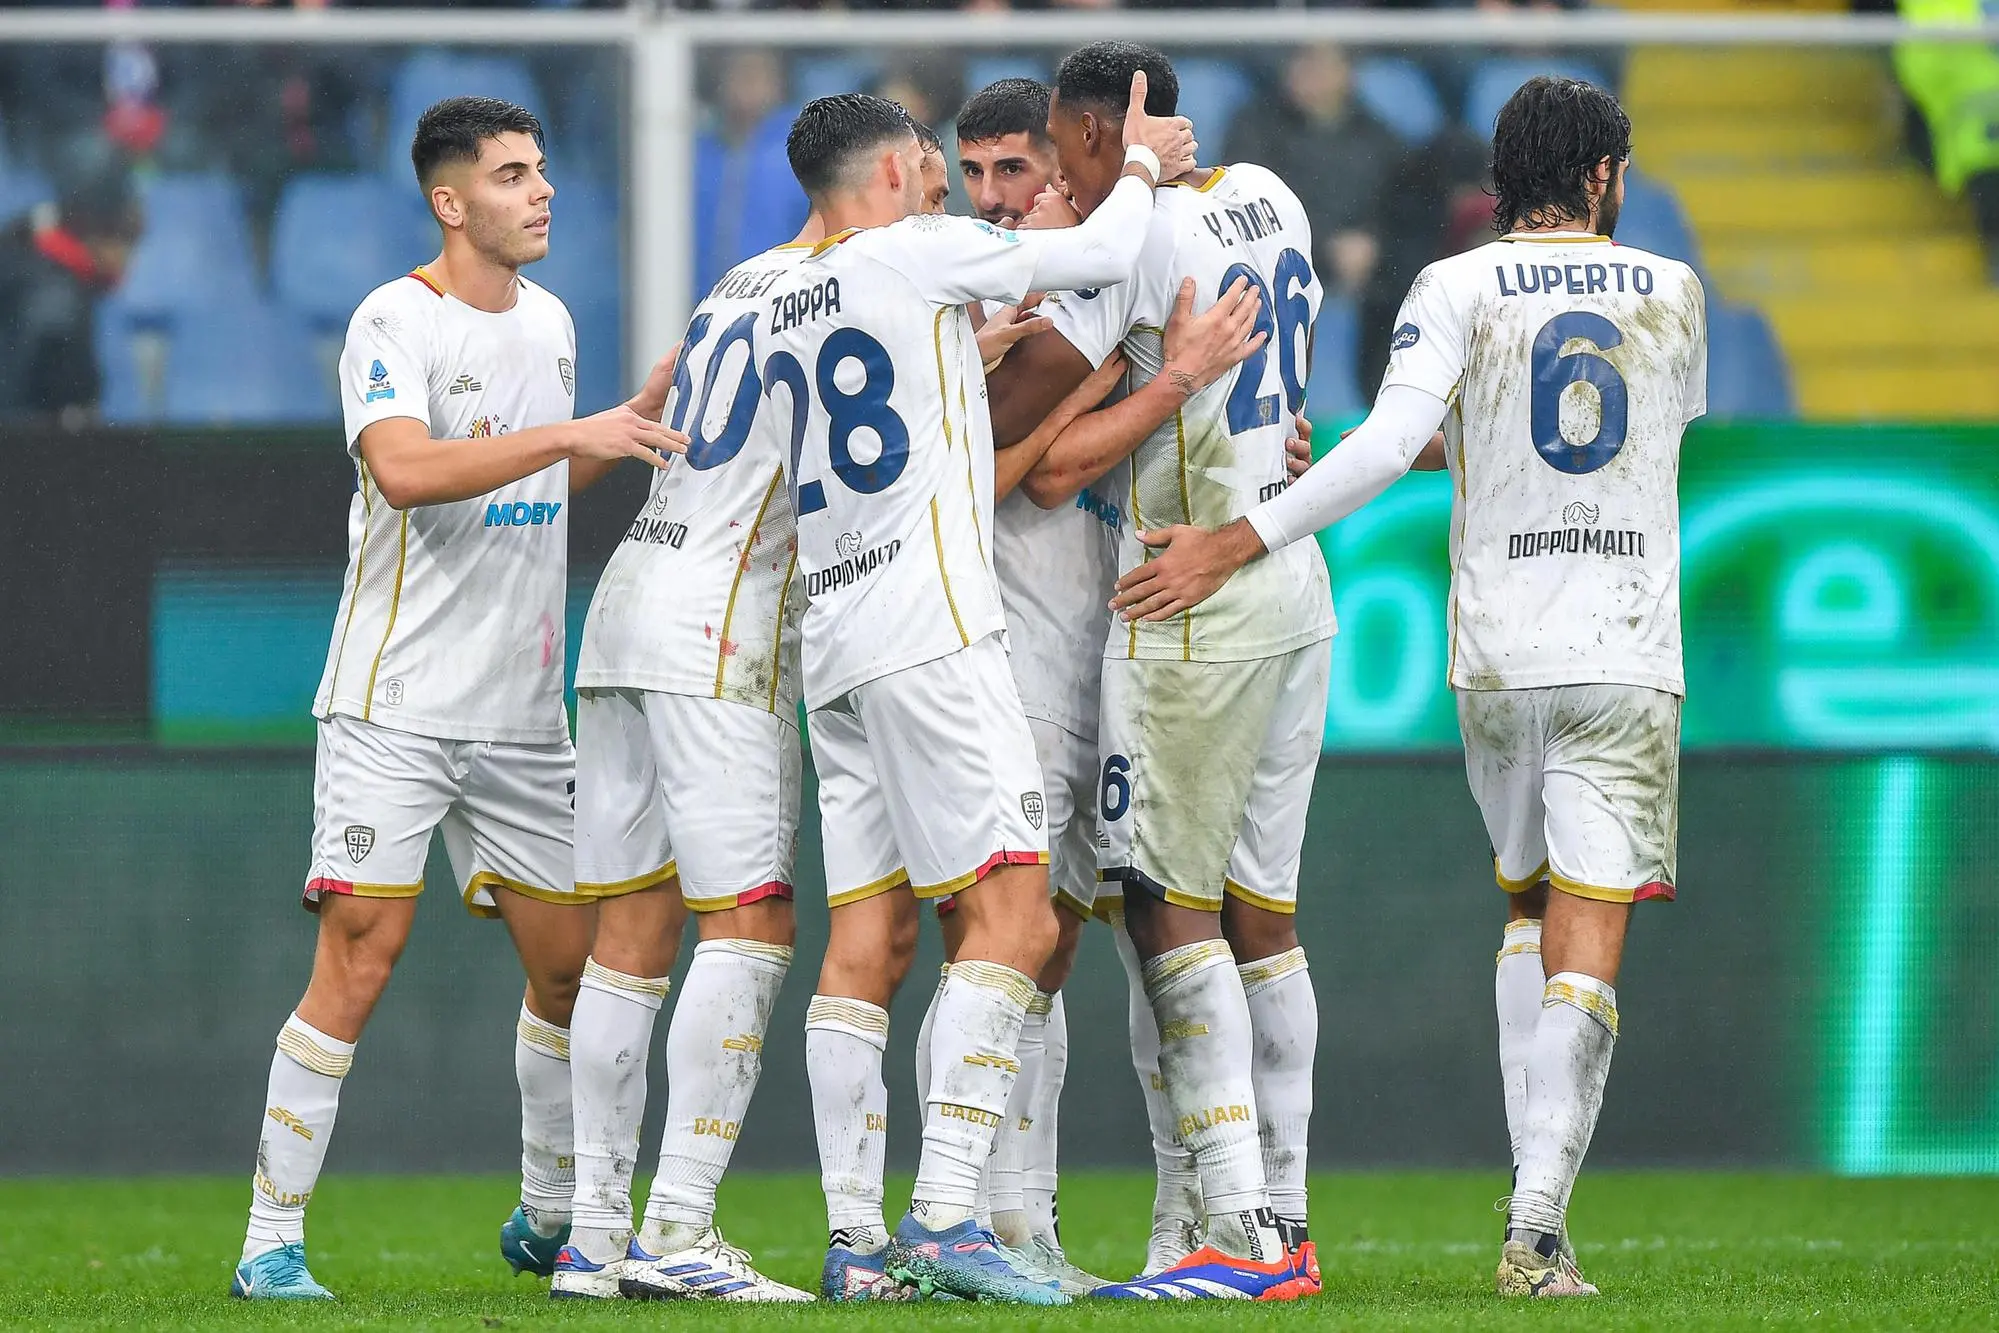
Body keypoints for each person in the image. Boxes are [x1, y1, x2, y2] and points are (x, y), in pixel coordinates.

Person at [1112, 75, 1707, 1301]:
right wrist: (1237, 542)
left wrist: (1243, 528)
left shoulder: (1453, 284)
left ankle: (1525, 1207)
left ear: (1502, 183)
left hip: (1496, 654)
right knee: (1586, 938)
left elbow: (1401, 442)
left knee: (1524, 911)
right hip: (1626, 648)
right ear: (1603, 178)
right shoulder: (1673, 290)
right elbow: (1623, 427)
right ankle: (1536, 1224)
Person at [229, 96, 687, 1303]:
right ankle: (268, 1240)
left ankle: (546, 1212)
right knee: (361, 961)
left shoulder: (551, 320)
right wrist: (569, 435)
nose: (541, 191)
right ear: (451, 202)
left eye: (540, 169)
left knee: (570, 970)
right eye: (511, 174)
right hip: (396, 704)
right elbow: (408, 469)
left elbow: (543, 478)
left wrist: (617, 432)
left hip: (527, 711)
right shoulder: (393, 314)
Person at [759, 86, 1194, 1305]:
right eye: (938, 170)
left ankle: (855, 1242)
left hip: (832, 640)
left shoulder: (786, 292)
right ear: (893, 171)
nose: (954, 191)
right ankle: (949, 1212)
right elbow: (1107, 249)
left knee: (864, 939)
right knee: (1018, 920)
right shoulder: (916, 253)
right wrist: (1147, 165)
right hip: (933, 630)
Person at [984, 41, 1331, 1302]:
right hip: (1292, 581)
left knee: (1161, 910)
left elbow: (1034, 449)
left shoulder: (1130, 242)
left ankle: (1238, 1232)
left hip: (1184, 592)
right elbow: (1283, 392)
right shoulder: (1274, 195)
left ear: (1094, 133)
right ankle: (1268, 1219)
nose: (1049, 189)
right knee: (1260, 916)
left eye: (1053, 156)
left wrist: (1142, 376)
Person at [1221, 44, 1396, 306]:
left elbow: (1399, 203)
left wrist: (1373, 242)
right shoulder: (1256, 127)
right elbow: (1244, 204)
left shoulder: (1377, 136)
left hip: (1371, 279)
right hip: (1276, 274)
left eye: (1320, 63)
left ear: (1348, 73)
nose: (1306, 72)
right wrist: (1328, 246)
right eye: (1299, 60)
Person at [0, 163, 139, 422]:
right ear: (97, 234)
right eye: (127, 242)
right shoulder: (58, 303)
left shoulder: (21, 252)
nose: (129, 261)